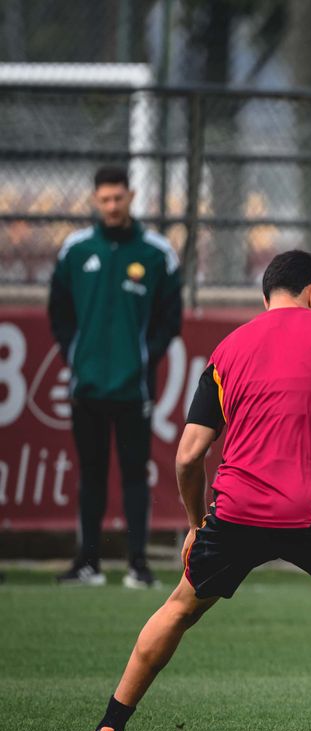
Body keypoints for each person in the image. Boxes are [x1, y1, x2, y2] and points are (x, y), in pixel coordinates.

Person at [77, 250, 311, 731]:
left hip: (235, 509)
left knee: (179, 608)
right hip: (309, 507)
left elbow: (189, 456)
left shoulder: (228, 350)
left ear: (266, 297)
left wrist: (198, 525)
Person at [49, 165, 183, 588]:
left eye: (118, 198)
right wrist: (76, 354)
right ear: (95, 200)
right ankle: (88, 564)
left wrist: (143, 358)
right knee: (89, 475)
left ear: (131, 196)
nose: (111, 206)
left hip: (133, 388)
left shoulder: (157, 253)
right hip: (86, 385)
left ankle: (137, 566)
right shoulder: (75, 250)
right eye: (104, 199)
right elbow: (59, 312)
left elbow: (169, 320)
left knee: (133, 475)